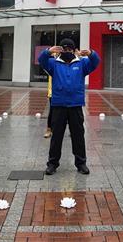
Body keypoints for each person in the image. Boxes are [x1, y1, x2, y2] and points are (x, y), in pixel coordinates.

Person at [38, 38, 100, 175]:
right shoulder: (53, 64)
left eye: (70, 49)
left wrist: (90, 53)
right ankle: (52, 164)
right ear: (60, 50)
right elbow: (41, 60)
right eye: (64, 49)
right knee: (56, 136)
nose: (67, 52)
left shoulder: (82, 63)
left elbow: (95, 63)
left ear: (74, 50)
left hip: (75, 105)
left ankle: (81, 163)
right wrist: (48, 51)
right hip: (58, 105)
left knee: (78, 135)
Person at [44, 74, 53, 138]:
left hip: (66, 93)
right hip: (53, 93)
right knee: (52, 111)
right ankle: (49, 130)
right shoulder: (54, 65)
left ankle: (72, 131)